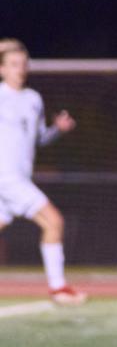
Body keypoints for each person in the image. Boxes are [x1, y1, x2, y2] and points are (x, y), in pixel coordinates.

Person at [0, 38, 85, 305]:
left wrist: (57, 130)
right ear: (2, 69)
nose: (20, 69)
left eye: (23, 64)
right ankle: (58, 288)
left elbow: (38, 139)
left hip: (20, 178)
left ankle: (58, 287)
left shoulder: (34, 99)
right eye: (13, 64)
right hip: (6, 178)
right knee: (54, 221)